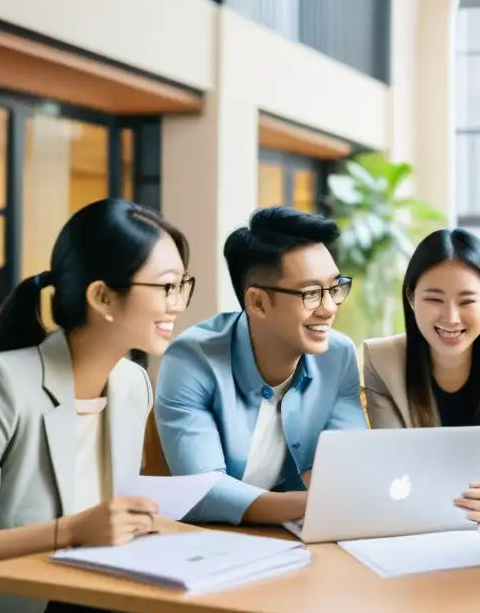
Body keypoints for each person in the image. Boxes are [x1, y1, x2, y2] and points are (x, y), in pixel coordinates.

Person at [0, 199, 192, 613]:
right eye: (166, 287)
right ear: (102, 297)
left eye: (183, 286)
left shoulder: (133, 385)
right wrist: (72, 529)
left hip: (98, 603)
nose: (177, 305)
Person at [154, 208, 367, 527]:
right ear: (258, 303)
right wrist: (314, 503)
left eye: (335, 288)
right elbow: (202, 490)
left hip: (302, 538)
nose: (328, 308)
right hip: (213, 543)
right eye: (310, 294)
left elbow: (351, 462)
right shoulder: (192, 359)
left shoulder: (337, 355)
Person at [363, 229, 480, 522]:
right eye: (434, 299)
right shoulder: (382, 360)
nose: (451, 318)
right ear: (411, 298)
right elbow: (393, 459)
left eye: (466, 301)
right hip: (415, 517)